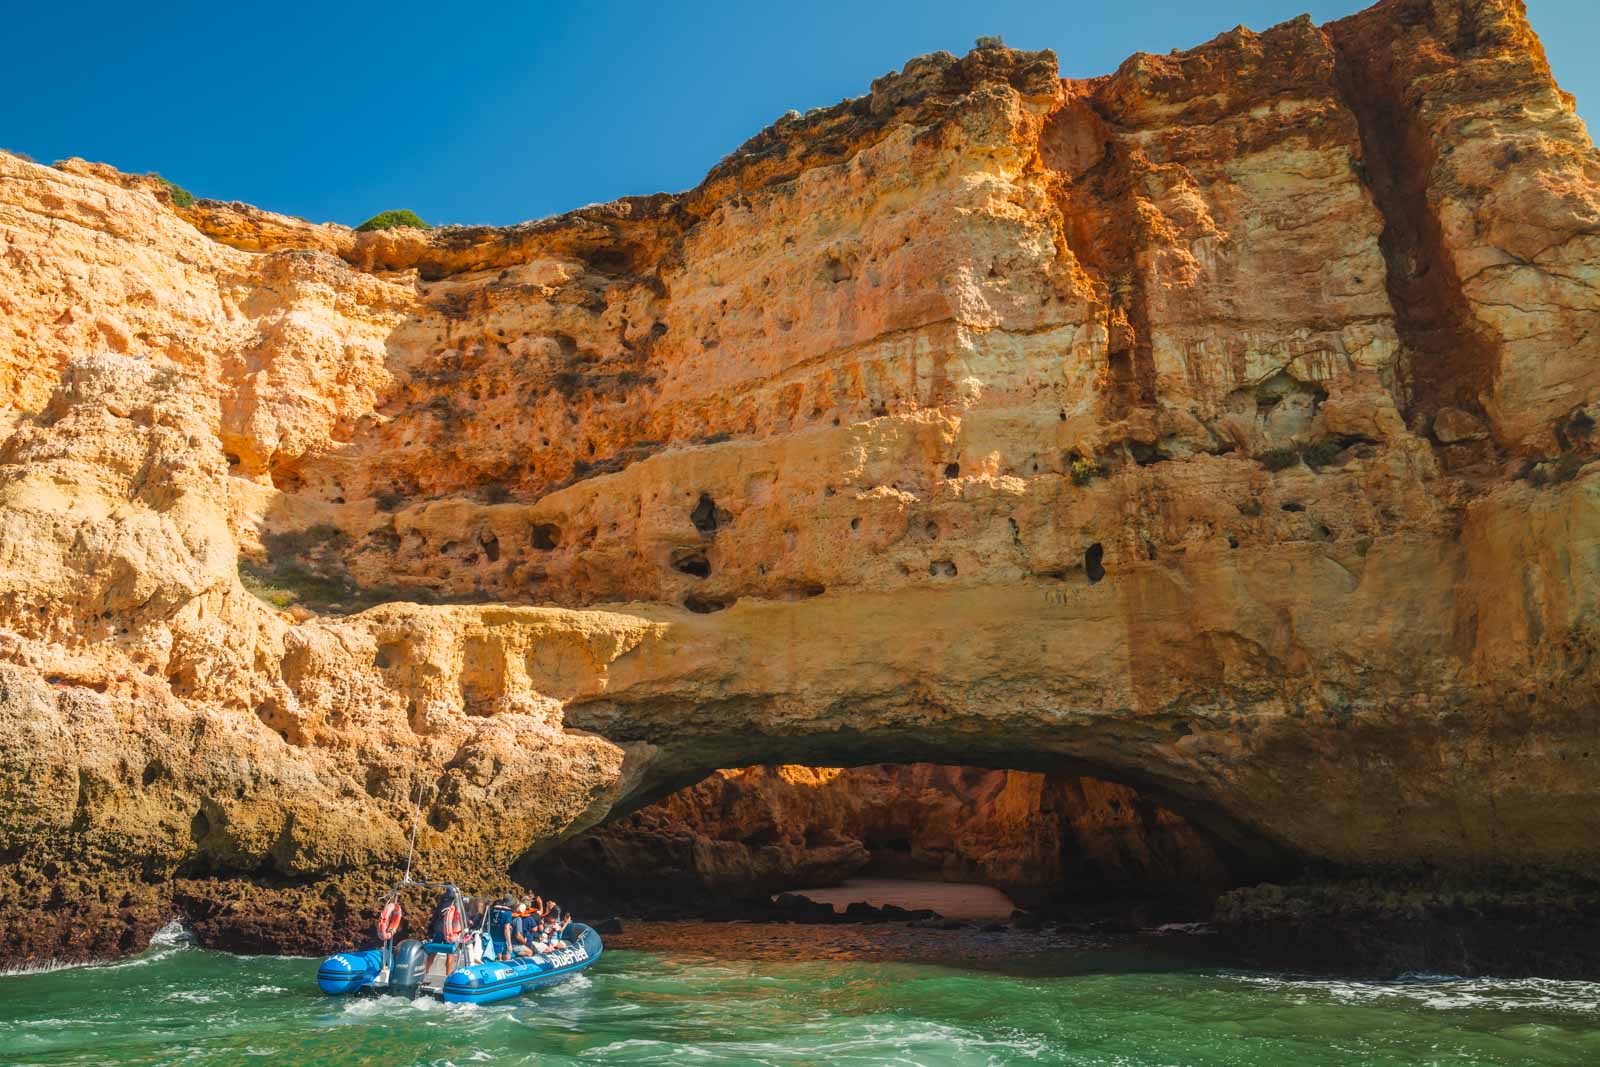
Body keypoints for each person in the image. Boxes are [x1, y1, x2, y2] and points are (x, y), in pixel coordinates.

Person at [423, 889, 464, 978]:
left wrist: (430, 929)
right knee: (450, 953)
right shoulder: (457, 903)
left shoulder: (442, 902)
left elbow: (435, 917)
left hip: (439, 930)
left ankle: (425, 972)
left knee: (433, 951)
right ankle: (448, 975)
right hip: (450, 933)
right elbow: (462, 917)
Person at [489, 894, 518, 961]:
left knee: (496, 960)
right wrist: (509, 944)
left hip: (493, 938)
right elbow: (506, 928)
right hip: (502, 940)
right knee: (507, 960)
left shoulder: (492, 910)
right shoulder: (508, 913)